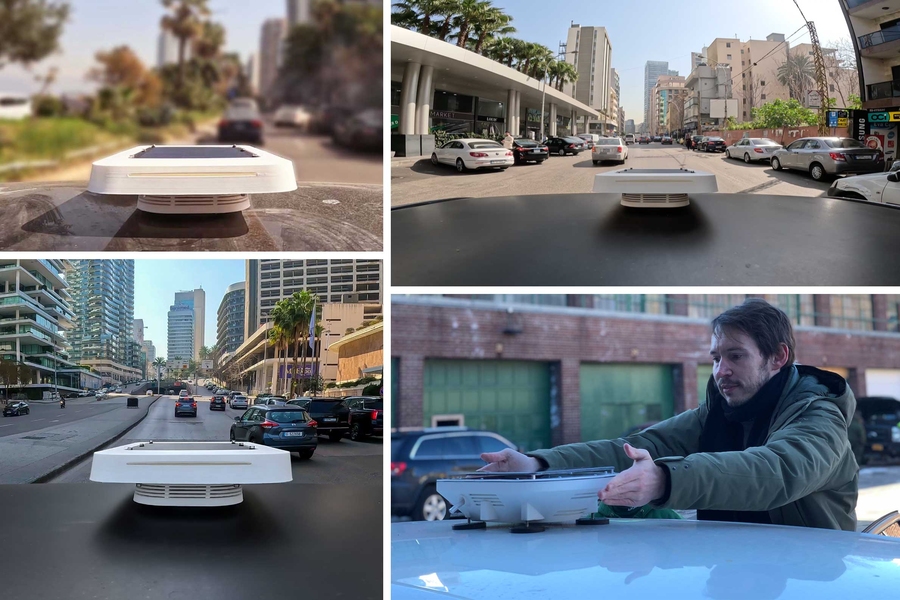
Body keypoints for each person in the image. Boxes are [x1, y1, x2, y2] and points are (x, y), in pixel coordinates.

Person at [480, 299, 859, 531]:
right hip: (727, 569)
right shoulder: (716, 414)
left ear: (778, 357)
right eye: (715, 358)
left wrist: (664, 480)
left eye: (736, 356)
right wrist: (536, 463)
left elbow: (776, 472)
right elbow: (635, 447)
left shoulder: (818, 415)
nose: (720, 370)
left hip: (813, 580)